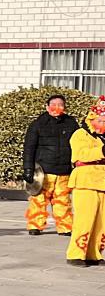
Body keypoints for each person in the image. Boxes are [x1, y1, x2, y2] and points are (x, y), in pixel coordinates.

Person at [24, 94, 78, 238]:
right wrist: (28, 169)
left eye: (60, 105)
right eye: (53, 105)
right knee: (39, 200)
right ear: (47, 107)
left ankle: (65, 227)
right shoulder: (37, 124)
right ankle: (35, 225)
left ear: (64, 107)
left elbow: (78, 146)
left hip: (64, 171)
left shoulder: (71, 123)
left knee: (63, 201)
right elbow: (29, 148)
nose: (57, 108)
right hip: (43, 171)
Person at [67, 96, 105, 267]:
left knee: (102, 222)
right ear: (92, 119)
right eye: (100, 120)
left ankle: (94, 254)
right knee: (85, 219)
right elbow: (81, 155)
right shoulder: (80, 134)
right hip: (85, 180)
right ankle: (76, 254)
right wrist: (102, 151)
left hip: (103, 182)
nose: (103, 123)